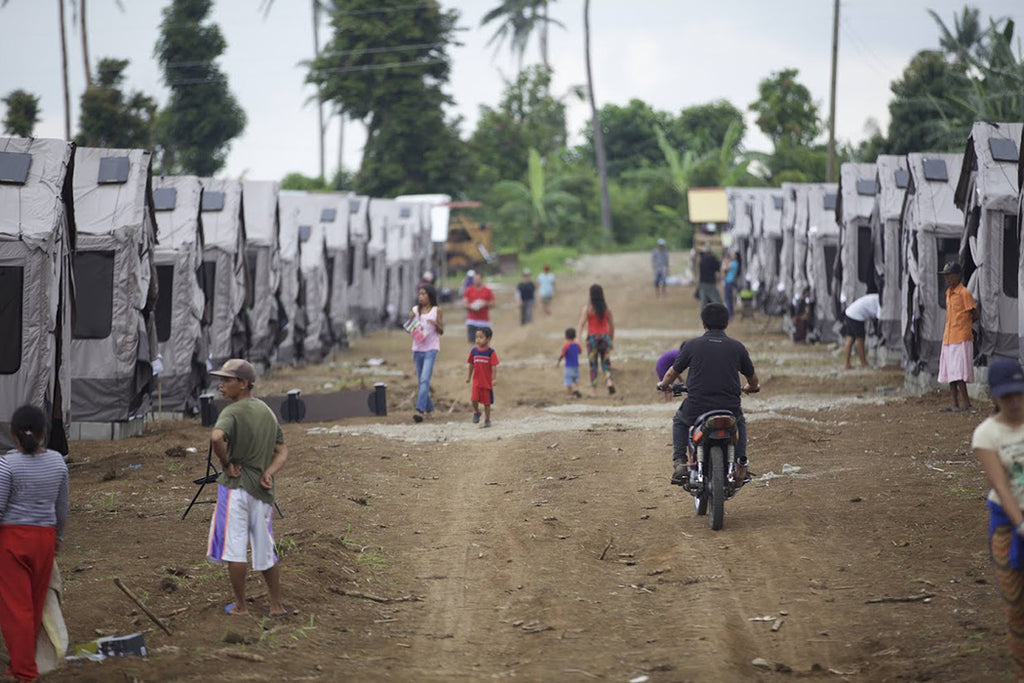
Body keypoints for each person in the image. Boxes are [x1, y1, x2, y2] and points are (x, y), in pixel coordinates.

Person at [206, 358, 289, 619]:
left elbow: (217, 437)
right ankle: (276, 605)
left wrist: (226, 463)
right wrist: (269, 472)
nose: (221, 385)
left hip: (236, 488)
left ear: (243, 384)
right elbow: (282, 449)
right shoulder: (266, 411)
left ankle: (241, 606)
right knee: (265, 548)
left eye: (227, 380)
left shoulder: (231, 412)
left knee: (235, 548)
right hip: (263, 492)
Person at [0, 405, 68, 683]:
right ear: (44, 434)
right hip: (45, 539)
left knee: (15, 610)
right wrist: (59, 538)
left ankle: (26, 673)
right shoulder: (57, 462)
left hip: (12, 541)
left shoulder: (7, 464)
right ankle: (21, 664)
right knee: (34, 605)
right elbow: (62, 507)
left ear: (12, 434)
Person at [657, 303, 760, 488]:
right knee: (740, 422)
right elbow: (753, 378)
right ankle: (740, 463)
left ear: (704, 323)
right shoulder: (737, 347)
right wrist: (751, 387)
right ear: (726, 323)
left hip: (697, 406)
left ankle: (680, 462)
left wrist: (664, 385)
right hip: (729, 406)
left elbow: (672, 373)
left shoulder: (692, 345)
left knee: (680, 421)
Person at [971, 357, 1024, 678]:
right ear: (994, 396)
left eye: (1020, 393)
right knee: (1016, 608)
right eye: (1007, 396)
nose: (1015, 402)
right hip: (1008, 524)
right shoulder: (986, 435)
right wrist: (1020, 523)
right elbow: (1003, 488)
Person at [938, 261, 978, 412]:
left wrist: (964, 324)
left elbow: (975, 314)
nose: (947, 279)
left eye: (949, 275)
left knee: (959, 372)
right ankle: (954, 403)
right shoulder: (948, 293)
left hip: (960, 337)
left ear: (958, 276)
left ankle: (966, 403)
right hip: (949, 337)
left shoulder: (964, 293)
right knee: (951, 372)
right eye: (945, 276)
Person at [407, 284, 444, 423]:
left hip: (431, 349)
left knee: (424, 380)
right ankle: (430, 408)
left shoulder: (436, 310)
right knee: (421, 381)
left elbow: (441, 331)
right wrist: (410, 319)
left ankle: (420, 410)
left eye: (424, 294)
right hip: (417, 349)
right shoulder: (415, 310)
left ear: (430, 296)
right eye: (420, 294)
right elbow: (409, 329)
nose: (421, 297)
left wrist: (435, 324)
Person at [577, 284, 616, 396]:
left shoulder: (587, 309)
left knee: (593, 364)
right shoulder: (607, 309)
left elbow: (581, 324)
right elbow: (612, 326)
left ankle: (594, 390)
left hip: (592, 338)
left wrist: (578, 338)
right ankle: (609, 381)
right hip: (605, 337)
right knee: (606, 362)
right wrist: (611, 340)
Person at [466, 327, 499, 427]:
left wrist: (493, 379)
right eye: (477, 337)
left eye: (481, 337)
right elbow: (471, 365)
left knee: (487, 403)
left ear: (488, 339)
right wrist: (469, 377)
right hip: (476, 381)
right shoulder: (474, 351)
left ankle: (487, 420)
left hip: (486, 382)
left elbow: (494, 367)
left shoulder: (491, 353)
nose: (478, 340)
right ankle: (476, 412)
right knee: (474, 399)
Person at [842, 292, 880, 369]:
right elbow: (879, 318)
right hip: (857, 316)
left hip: (849, 312)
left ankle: (847, 364)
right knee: (860, 340)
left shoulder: (876, 297)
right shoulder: (880, 302)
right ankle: (864, 363)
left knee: (850, 338)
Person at [462, 271, 495, 344]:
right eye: (475, 279)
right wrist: (471, 306)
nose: (476, 281)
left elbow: (493, 303)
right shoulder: (469, 290)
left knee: (485, 344)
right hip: (472, 321)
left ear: (481, 279)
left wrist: (484, 303)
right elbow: (464, 303)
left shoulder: (487, 290)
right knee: (471, 343)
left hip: (484, 321)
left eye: (478, 279)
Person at [557, 327, 583, 399]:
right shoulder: (577, 345)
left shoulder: (566, 345)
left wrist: (558, 361)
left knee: (568, 381)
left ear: (566, 336)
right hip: (576, 366)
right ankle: (577, 389)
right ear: (574, 336)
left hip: (568, 367)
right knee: (576, 379)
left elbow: (562, 354)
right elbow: (580, 351)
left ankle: (570, 394)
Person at [722, 251, 740, 318]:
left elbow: (725, 268)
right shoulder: (735, 263)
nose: (731, 256)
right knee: (729, 298)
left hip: (729, 281)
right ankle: (731, 313)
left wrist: (725, 261)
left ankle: (730, 313)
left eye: (733, 255)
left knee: (727, 298)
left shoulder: (733, 263)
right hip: (730, 281)